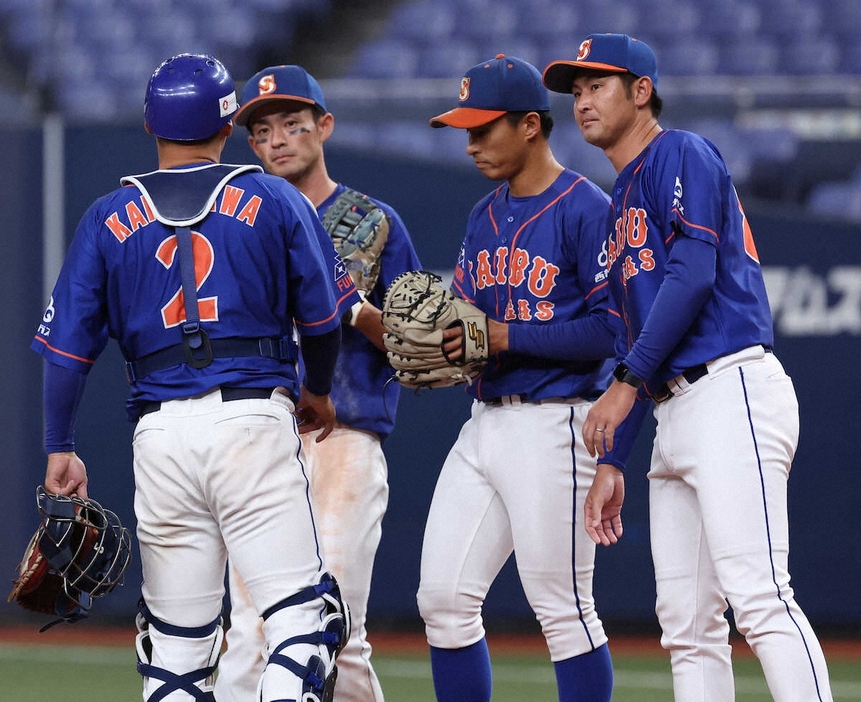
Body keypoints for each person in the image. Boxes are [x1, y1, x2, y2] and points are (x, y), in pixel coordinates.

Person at [31, 53, 356, 702]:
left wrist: (59, 446)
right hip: (251, 420)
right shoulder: (273, 196)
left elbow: (65, 355)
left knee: (175, 653)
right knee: (301, 620)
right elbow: (322, 321)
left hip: (160, 434)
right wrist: (317, 389)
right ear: (230, 123)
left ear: (151, 124)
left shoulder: (106, 216)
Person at [543, 33, 834, 702]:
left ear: (640, 90)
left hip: (728, 386)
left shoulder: (682, 152)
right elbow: (633, 334)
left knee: (759, 597)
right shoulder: (618, 202)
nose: (582, 99)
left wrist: (619, 389)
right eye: (575, 89)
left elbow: (692, 275)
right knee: (685, 626)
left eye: (597, 84)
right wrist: (613, 456)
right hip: (675, 409)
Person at [214, 65, 422, 702]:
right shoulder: (239, 223)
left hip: (344, 439)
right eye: (264, 130)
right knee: (250, 630)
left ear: (324, 127)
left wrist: (354, 307)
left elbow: (421, 348)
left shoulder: (372, 221)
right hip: (260, 435)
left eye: (293, 125)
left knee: (337, 632)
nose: (278, 139)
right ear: (251, 143)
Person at [418, 54, 617, 702]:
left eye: (484, 129)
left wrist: (503, 336)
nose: (471, 144)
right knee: (443, 599)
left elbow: (611, 330)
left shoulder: (586, 209)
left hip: (555, 423)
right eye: (466, 131)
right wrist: (448, 343)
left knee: (562, 609)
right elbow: (473, 324)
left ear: (529, 125)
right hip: (485, 423)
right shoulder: (483, 214)